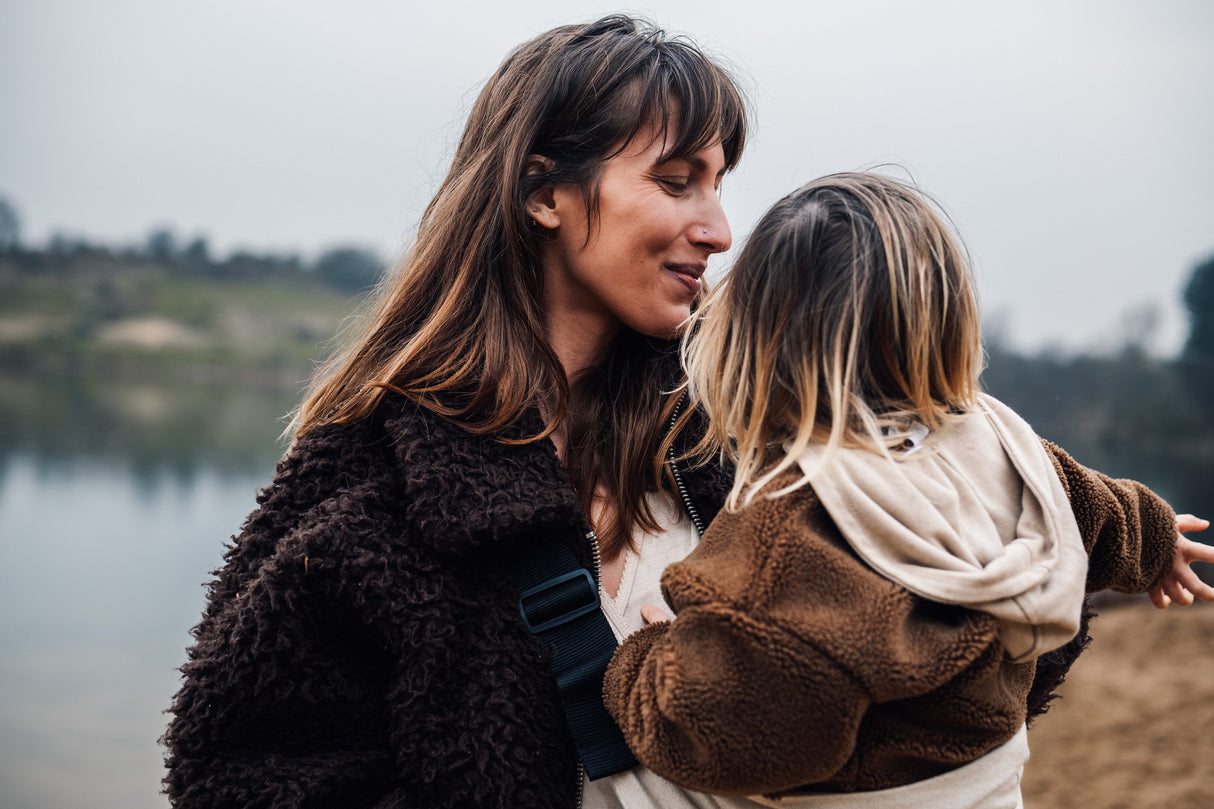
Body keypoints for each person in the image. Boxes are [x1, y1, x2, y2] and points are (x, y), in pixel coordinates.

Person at [161, 15, 750, 809]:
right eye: (676, 181)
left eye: (718, 186)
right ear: (546, 194)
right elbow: (240, 778)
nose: (717, 229)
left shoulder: (734, 446)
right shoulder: (372, 480)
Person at [603, 172, 1214, 807]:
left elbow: (740, 736)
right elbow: (1089, 508)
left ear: (753, 345)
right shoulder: (996, 440)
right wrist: (1156, 538)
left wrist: (646, 662)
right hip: (993, 785)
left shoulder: (790, 524)